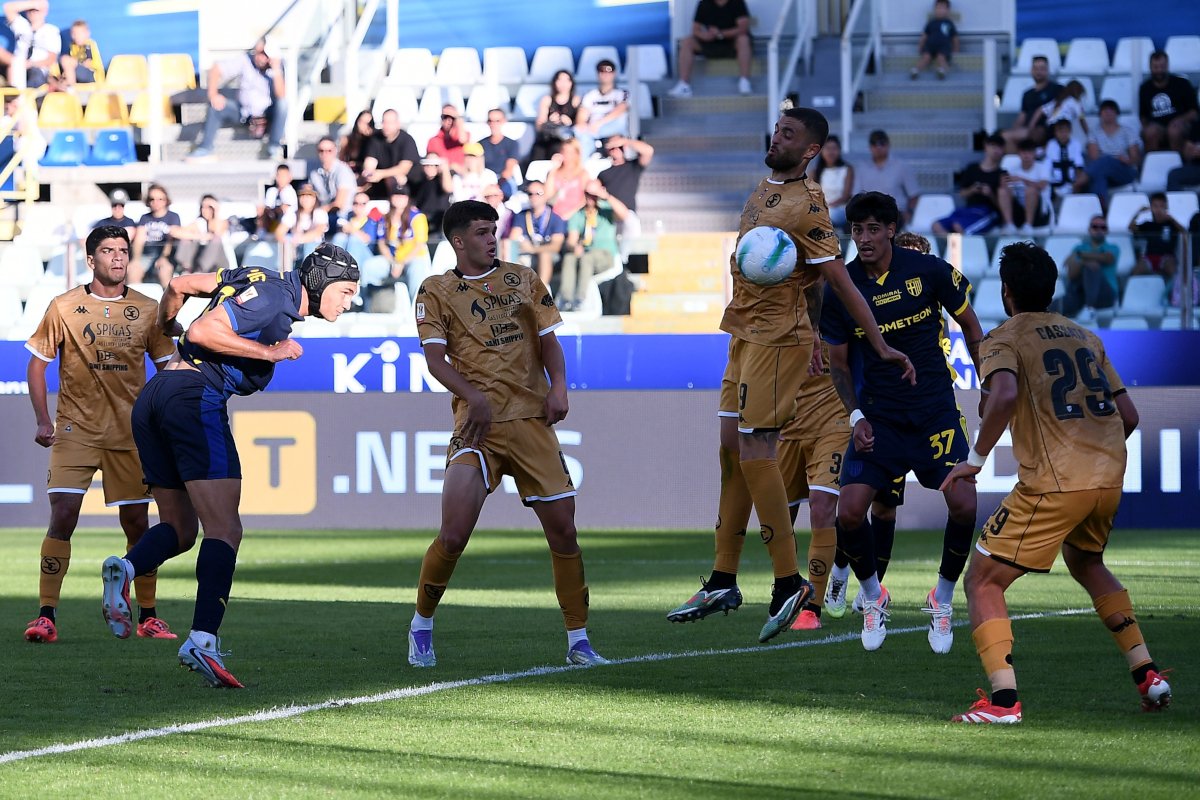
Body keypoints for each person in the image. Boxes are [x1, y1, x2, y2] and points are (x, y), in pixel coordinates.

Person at [666, 109, 914, 644]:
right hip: (742, 333)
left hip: (778, 341)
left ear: (810, 151)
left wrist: (877, 342)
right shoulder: (764, 189)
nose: (776, 137)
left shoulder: (809, 204)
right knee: (731, 449)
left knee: (758, 448)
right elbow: (805, 281)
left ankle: (787, 584)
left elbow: (839, 282)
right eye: (777, 129)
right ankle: (724, 578)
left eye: (789, 135)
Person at [101, 245, 359, 687]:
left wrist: (166, 325)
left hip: (156, 394)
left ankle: (125, 569)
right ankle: (202, 640)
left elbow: (180, 285)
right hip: (193, 397)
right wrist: (269, 354)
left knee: (182, 530)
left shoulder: (253, 276)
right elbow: (203, 331)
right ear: (319, 283)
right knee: (225, 530)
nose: (349, 302)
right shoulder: (275, 297)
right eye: (347, 291)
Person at [941, 240, 1170, 723]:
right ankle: (1148, 675)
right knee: (1087, 562)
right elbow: (1126, 415)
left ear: (1006, 292)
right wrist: (1096, 454)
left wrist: (976, 459)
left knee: (983, 579)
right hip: (1108, 476)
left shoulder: (1004, 337)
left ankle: (1003, 704)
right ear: (1051, 288)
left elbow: (1001, 395)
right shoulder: (1086, 336)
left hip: (1056, 480)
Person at [408, 200, 607, 669]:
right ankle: (421, 625)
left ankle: (579, 641)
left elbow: (549, 342)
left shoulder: (522, 277)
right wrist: (473, 397)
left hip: (533, 423)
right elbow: (436, 360)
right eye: (480, 232)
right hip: (477, 428)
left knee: (564, 534)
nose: (491, 238)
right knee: (454, 535)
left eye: (493, 230)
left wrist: (559, 387)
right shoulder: (435, 290)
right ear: (458, 241)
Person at [821, 191, 983, 653]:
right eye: (857, 230)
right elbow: (838, 364)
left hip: (935, 413)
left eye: (874, 229)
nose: (865, 238)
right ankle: (874, 597)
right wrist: (855, 417)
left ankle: (943, 598)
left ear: (892, 229)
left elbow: (973, 329)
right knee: (849, 512)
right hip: (880, 419)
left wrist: (989, 384)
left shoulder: (929, 271)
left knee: (965, 506)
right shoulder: (843, 288)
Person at [22, 226, 177, 645]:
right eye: (108, 251)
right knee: (64, 514)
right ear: (91, 260)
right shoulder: (64, 306)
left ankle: (149, 615)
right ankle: (46, 615)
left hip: (131, 434)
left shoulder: (148, 309)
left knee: (137, 523)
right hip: (75, 429)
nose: (117, 257)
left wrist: (169, 420)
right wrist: (42, 419)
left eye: (123, 250)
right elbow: (37, 365)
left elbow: (167, 370)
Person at [824, 232, 935, 620]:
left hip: (909, 414)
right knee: (853, 503)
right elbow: (840, 352)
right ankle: (839, 573)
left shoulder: (928, 312)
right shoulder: (857, 298)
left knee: (885, 508)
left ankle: (873, 590)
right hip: (865, 411)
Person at [778, 293, 851, 632]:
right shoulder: (775, 301)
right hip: (787, 423)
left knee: (822, 506)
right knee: (778, 517)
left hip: (834, 420)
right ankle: (787, 588)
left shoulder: (841, 297)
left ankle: (812, 607)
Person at [190, 38, 286, 160]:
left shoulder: (277, 70)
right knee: (216, 106)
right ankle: (205, 149)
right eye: (259, 52)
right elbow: (216, 69)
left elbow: (281, 95)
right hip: (243, 112)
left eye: (264, 54)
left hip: (266, 115)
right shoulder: (245, 60)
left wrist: (276, 70)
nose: (260, 57)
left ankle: (274, 148)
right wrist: (213, 94)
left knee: (283, 105)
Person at [560, 179, 628, 311]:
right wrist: (574, 247)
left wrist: (606, 196)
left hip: (605, 254)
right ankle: (566, 299)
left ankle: (580, 299)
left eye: (593, 194)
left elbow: (625, 215)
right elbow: (571, 239)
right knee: (569, 258)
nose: (591, 198)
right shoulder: (579, 214)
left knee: (587, 259)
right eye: (587, 194)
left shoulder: (607, 210)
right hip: (586, 252)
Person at [669, 0, 752, 97]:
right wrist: (704, 35)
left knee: (743, 40)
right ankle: (683, 85)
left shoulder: (737, 2)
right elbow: (695, 29)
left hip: (732, 44)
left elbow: (743, 28)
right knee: (686, 41)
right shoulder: (704, 3)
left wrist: (721, 34)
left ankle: (744, 82)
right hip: (710, 43)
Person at [933, 133, 1004, 235]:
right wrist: (973, 189)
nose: (996, 150)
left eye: (999, 147)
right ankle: (954, 248)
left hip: (987, 212)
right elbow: (962, 194)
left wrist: (990, 194)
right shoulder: (972, 168)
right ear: (986, 146)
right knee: (936, 225)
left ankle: (957, 249)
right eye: (993, 146)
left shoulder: (1001, 174)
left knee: (958, 226)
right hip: (968, 210)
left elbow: (1003, 206)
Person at [1075, 100, 1141, 206]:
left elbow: (1136, 158)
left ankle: (1081, 181)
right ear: (1100, 114)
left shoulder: (1128, 131)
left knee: (1103, 164)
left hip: (1124, 170)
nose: (1108, 112)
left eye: (1111, 110)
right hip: (1102, 169)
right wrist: (1109, 161)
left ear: (1117, 113)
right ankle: (1101, 210)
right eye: (1105, 110)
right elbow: (1094, 157)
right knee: (1100, 175)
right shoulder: (1094, 132)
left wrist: (1127, 160)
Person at [597, 135, 653, 260]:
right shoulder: (603, 173)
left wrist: (625, 141)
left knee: (631, 224)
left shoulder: (632, 166)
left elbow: (648, 151)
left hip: (627, 215)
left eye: (619, 146)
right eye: (612, 147)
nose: (616, 149)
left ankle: (623, 262)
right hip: (608, 215)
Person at [853, 130, 921, 226]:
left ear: (888, 144)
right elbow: (855, 195)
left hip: (895, 213)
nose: (879, 147)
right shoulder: (861, 168)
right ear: (870, 147)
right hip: (869, 214)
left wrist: (909, 212)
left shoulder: (901, 166)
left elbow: (914, 194)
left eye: (882, 143)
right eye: (874, 143)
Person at [508, 178, 567, 286]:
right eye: (530, 193)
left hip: (550, 258)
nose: (534, 197)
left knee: (544, 254)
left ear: (545, 195)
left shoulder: (556, 218)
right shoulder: (521, 215)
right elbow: (513, 239)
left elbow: (556, 246)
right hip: (527, 255)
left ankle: (542, 292)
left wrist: (534, 249)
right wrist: (521, 243)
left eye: (538, 193)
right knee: (509, 254)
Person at [377, 183, 430, 298]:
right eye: (396, 195)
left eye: (403, 195)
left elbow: (419, 245)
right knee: (369, 267)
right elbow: (381, 243)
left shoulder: (417, 217)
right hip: (392, 259)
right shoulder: (385, 218)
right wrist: (393, 262)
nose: (399, 198)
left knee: (417, 269)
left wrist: (402, 263)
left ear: (408, 198)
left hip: (412, 258)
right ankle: (367, 305)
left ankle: (416, 309)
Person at [1139, 50, 1199, 153]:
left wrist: (1181, 120)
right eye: (1156, 67)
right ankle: (1153, 164)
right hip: (1157, 125)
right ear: (1150, 67)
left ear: (1167, 65)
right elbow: (1143, 115)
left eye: (1162, 66)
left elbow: (1194, 111)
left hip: (1182, 123)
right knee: (1150, 132)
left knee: (1174, 131)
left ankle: (1180, 164)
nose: (1159, 70)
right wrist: (1146, 127)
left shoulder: (1181, 83)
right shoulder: (1145, 88)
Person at [1064, 216, 1119, 322]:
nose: (1099, 230)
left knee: (1091, 268)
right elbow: (1071, 274)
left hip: (1105, 296)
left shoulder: (1113, 248)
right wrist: (1084, 262)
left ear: (1107, 231)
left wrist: (1080, 256)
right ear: (1089, 229)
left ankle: (1090, 308)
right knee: (1054, 305)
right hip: (1081, 295)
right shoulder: (1079, 247)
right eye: (1095, 227)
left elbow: (1108, 258)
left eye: (1103, 227)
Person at [1002, 56, 1062, 152]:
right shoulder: (1027, 94)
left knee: (1005, 136)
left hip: (1046, 130)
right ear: (1031, 70)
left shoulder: (1057, 89)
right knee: (1003, 138)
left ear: (1048, 71)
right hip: (1027, 130)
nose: (1038, 71)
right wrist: (1017, 128)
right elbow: (1022, 115)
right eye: (1035, 68)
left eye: (1042, 68)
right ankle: (1022, 160)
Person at [530, 71, 589, 164]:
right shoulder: (547, 100)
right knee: (538, 154)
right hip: (547, 138)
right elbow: (539, 126)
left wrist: (569, 123)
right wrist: (550, 121)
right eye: (560, 80)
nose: (563, 84)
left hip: (565, 140)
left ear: (571, 83)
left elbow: (582, 125)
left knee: (558, 149)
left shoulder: (576, 101)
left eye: (566, 80)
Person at [361, 109, 419, 200]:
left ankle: (395, 208)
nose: (387, 126)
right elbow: (370, 161)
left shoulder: (407, 140)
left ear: (398, 124)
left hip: (409, 182)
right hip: (381, 180)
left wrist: (381, 174)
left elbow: (404, 168)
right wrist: (368, 173)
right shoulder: (375, 139)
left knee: (395, 178)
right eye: (384, 122)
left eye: (390, 123)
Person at [128, 184, 181, 286]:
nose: (156, 202)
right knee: (132, 270)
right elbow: (139, 239)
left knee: (164, 270)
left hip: (165, 256)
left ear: (166, 200)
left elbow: (170, 241)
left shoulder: (173, 217)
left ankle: (165, 301)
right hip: (146, 255)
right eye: (152, 199)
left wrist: (164, 257)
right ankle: (134, 301)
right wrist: (135, 260)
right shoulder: (144, 218)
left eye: (160, 199)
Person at [997, 139, 1051, 235]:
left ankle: (1028, 225)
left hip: (1039, 212)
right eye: (1023, 152)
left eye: (1029, 152)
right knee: (1002, 191)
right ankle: (1010, 224)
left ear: (1035, 153)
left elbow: (1042, 186)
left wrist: (1022, 180)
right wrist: (1004, 184)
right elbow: (1006, 191)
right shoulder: (1013, 170)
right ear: (1019, 153)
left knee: (1030, 189)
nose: (1026, 155)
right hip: (1019, 211)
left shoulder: (1042, 167)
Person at [170, 195, 230, 279]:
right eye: (203, 207)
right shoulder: (199, 223)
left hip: (218, 264)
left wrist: (216, 210)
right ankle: (185, 268)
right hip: (197, 262)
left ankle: (200, 270)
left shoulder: (222, 222)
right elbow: (175, 232)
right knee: (186, 238)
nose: (205, 210)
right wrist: (200, 236)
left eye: (209, 207)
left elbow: (217, 232)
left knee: (216, 239)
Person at [1130, 192, 1185, 283]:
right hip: (1149, 257)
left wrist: (1172, 219)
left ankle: (1175, 296)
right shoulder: (1148, 224)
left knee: (1173, 273)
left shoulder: (1171, 224)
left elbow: (1184, 231)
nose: (1158, 210)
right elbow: (1131, 227)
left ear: (1166, 207)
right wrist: (1139, 212)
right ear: (1151, 208)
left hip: (1166, 257)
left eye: (1162, 206)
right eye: (1155, 206)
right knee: (1135, 273)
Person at [4, 0, 59, 89]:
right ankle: (13, 98)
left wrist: (31, 64)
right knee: (14, 66)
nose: (32, 13)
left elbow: (51, 58)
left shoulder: (51, 31)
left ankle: (19, 98)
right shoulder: (22, 25)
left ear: (44, 11)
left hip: (37, 68)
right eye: (30, 10)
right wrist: (32, 4)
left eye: (36, 10)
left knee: (30, 73)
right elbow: (8, 8)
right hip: (17, 65)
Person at [311, 136, 357, 228]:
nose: (325, 154)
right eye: (321, 151)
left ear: (335, 151)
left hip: (344, 215)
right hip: (323, 215)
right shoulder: (314, 174)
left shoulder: (343, 171)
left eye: (329, 150)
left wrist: (317, 211)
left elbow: (339, 204)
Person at [580, 59, 629, 146]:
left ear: (614, 73)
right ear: (597, 73)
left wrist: (598, 124)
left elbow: (621, 109)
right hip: (592, 130)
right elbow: (582, 115)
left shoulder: (622, 93)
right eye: (602, 71)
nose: (605, 74)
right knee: (579, 132)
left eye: (608, 70)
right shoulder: (589, 95)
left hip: (613, 128)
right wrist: (582, 125)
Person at [276, 184, 328, 264]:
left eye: (310, 195)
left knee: (310, 246)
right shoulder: (292, 212)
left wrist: (300, 239)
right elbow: (279, 232)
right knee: (283, 250)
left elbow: (318, 232)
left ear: (315, 198)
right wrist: (288, 242)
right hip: (295, 248)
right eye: (303, 195)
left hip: (314, 251)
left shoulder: (320, 213)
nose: (306, 199)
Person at [811, 134, 853, 230]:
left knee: (829, 214)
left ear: (839, 150)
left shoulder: (846, 169)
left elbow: (846, 196)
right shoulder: (815, 171)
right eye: (828, 148)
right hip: (820, 209)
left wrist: (828, 206)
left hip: (839, 210)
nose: (831, 152)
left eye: (834, 148)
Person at [911, 0, 958, 81]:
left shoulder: (949, 23)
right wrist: (920, 46)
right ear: (934, 9)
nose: (940, 11)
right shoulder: (931, 22)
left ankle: (942, 70)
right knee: (926, 57)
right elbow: (924, 36)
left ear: (948, 11)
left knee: (941, 56)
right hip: (930, 45)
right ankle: (916, 70)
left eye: (943, 8)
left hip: (943, 46)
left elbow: (954, 38)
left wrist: (956, 50)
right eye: (938, 8)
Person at [481, 108, 521, 198]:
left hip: (504, 182)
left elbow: (509, 170)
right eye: (490, 121)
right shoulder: (480, 144)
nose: (493, 124)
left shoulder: (512, 144)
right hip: (484, 182)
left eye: (497, 121)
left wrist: (495, 187)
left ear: (504, 121)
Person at [545, 138, 589, 223]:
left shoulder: (583, 174)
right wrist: (553, 169)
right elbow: (547, 195)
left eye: (569, 152)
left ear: (577, 154)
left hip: (574, 216)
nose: (565, 155)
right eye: (563, 151)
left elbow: (584, 200)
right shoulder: (553, 173)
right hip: (554, 214)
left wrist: (570, 214)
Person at [331, 190, 378, 268]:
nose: (359, 206)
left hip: (365, 256)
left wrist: (351, 230)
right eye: (356, 203)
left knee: (354, 239)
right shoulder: (347, 218)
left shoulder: (371, 221)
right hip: (346, 251)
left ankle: (352, 271)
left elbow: (368, 240)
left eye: (363, 204)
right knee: (339, 237)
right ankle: (335, 269)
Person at [412, 155, 452, 241]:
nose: (430, 167)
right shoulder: (419, 179)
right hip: (422, 218)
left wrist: (444, 170)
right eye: (427, 164)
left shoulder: (443, 178)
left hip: (439, 219)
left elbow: (448, 188)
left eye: (434, 164)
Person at [1044, 118, 1085, 196]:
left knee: (1081, 182)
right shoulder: (1051, 144)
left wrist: (1077, 179)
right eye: (1060, 131)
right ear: (1055, 133)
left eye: (1066, 131)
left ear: (1070, 131)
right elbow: (1048, 162)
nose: (1063, 134)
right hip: (1055, 180)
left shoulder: (1075, 143)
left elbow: (1078, 162)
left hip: (1072, 180)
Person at [58, 18, 101, 87]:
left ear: (87, 34)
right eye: (73, 34)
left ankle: (70, 85)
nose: (76, 36)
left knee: (65, 59)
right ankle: (69, 82)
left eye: (79, 34)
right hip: (79, 73)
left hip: (92, 75)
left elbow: (88, 63)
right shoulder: (73, 46)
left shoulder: (89, 44)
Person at [258, 163, 297, 238]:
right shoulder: (271, 191)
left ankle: (280, 235)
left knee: (289, 216)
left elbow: (284, 209)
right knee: (261, 210)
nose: (281, 179)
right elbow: (268, 207)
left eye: (284, 176)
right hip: (273, 217)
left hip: (287, 221)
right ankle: (260, 235)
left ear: (290, 178)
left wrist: (274, 210)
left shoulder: (290, 191)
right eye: (279, 175)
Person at [426, 104, 469, 171]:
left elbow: (463, 140)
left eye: (452, 118)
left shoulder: (464, 135)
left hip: (459, 177)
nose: (449, 120)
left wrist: (459, 121)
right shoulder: (433, 141)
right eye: (445, 117)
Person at [1166, 118, 1200, 191]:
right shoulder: (1198, 124)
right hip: (1197, 168)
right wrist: (1190, 151)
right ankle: (1175, 201)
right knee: (1174, 175)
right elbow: (1186, 153)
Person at [341, 110, 375, 177]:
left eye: (368, 123)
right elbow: (341, 160)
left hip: (366, 173)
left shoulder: (373, 141)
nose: (365, 126)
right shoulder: (348, 139)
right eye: (362, 122)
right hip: (351, 172)